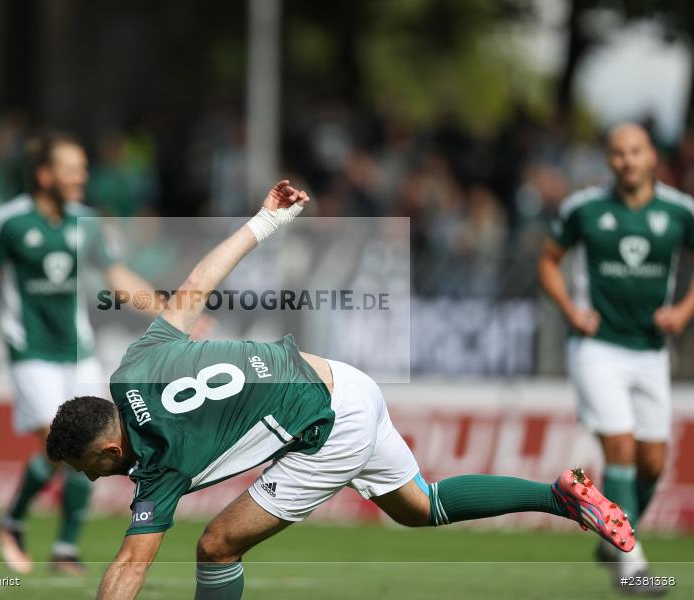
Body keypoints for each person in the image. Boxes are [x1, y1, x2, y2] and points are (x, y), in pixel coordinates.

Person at [46, 180, 635, 600]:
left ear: (107, 450)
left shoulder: (157, 465)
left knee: (217, 546)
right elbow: (195, 288)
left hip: (325, 425)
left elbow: (129, 564)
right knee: (419, 506)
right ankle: (559, 496)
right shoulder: (134, 366)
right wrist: (265, 223)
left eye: (84, 469)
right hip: (343, 379)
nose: (88, 478)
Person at [0, 133, 162, 575]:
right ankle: (17, 521)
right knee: (53, 443)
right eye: (72, 169)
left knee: (94, 443)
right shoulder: (11, 222)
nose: (83, 177)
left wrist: (172, 312)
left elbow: (119, 279)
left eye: (83, 168)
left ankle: (60, 546)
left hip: (79, 351)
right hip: (30, 349)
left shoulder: (86, 222)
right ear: (44, 174)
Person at [539, 122, 694, 594]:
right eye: (618, 153)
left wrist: (684, 310)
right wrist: (571, 311)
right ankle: (633, 565)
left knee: (653, 463)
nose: (627, 160)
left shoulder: (680, 211)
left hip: (649, 350)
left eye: (635, 151)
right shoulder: (584, 209)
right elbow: (548, 260)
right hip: (597, 347)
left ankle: (612, 535)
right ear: (609, 160)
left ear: (651, 157)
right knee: (620, 449)